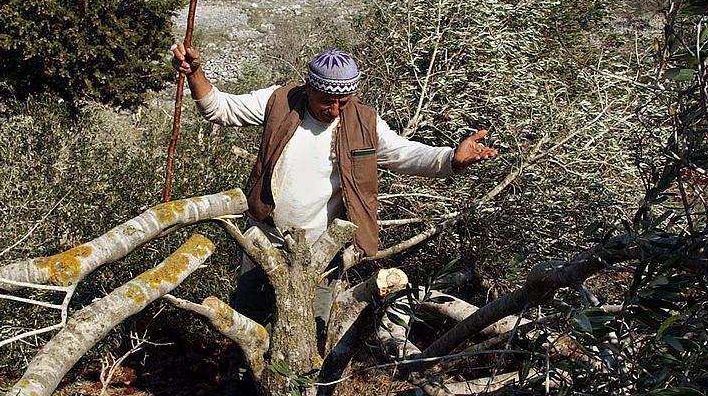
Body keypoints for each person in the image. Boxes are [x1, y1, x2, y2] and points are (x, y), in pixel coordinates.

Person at [172, 44, 497, 336]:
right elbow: (219, 108)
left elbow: (403, 154)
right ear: (309, 88)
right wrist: (196, 74)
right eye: (327, 101)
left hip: (322, 252)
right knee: (249, 325)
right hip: (264, 240)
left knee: (311, 331)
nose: (335, 110)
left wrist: (450, 158)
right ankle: (239, 392)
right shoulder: (279, 102)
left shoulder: (363, 122)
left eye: (343, 101)